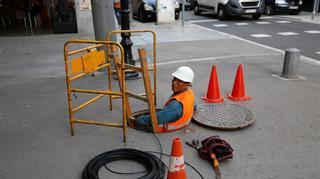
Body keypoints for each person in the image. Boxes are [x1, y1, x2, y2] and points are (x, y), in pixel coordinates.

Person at [136, 66, 195, 132]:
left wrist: (140, 119)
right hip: (182, 126)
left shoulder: (175, 106)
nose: (174, 83)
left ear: (188, 84)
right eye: (174, 79)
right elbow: (194, 107)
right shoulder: (189, 93)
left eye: (180, 81)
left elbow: (156, 120)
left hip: (166, 131)